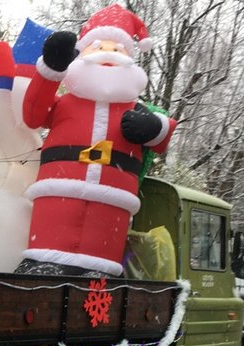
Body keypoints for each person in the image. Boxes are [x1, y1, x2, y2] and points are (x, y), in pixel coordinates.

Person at [16, 4, 177, 277]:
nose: (107, 54)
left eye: (117, 50)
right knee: (48, 253)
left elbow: (163, 137)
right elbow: (33, 114)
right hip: (59, 190)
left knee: (99, 259)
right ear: (81, 53)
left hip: (111, 203)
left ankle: (97, 276)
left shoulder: (135, 109)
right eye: (98, 46)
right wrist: (50, 70)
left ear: (130, 59)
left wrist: (154, 127)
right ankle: (42, 268)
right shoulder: (66, 103)